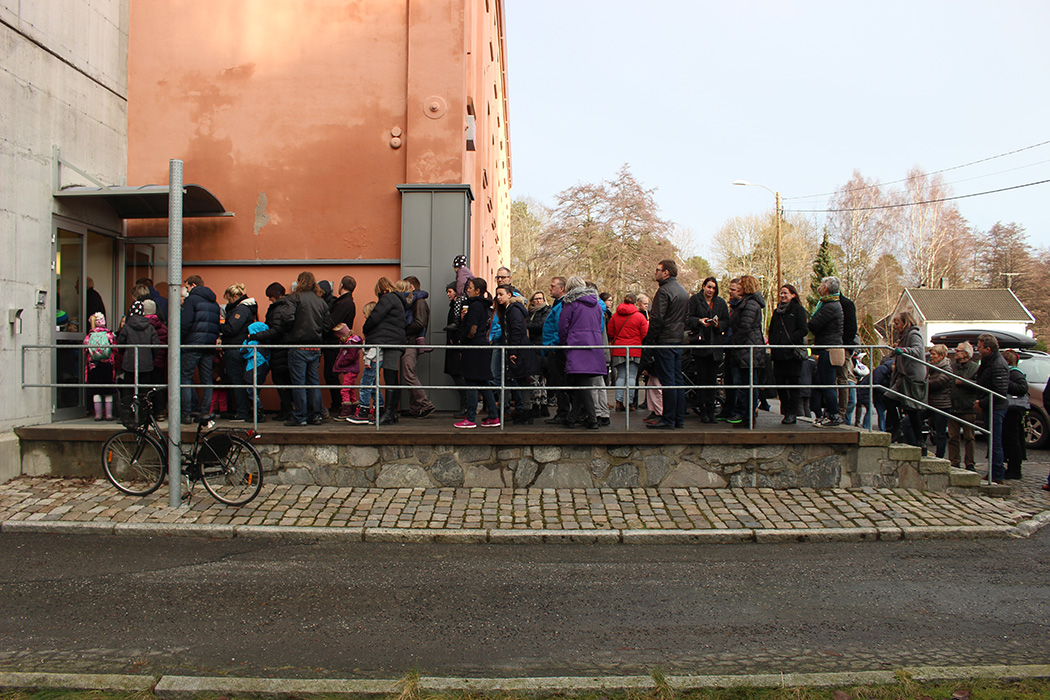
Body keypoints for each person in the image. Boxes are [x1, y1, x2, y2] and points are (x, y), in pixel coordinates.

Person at [253, 272, 332, 427]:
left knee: (298, 383)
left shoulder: (294, 298)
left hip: (298, 345)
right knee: (313, 382)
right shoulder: (320, 301)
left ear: (299, 282)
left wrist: (291, 332)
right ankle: (315, 416)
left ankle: (300, 416)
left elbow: (287, 318)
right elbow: (327, 325)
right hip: (315, 346)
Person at [643, 259, 688, 430]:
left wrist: (650, 341)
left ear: (666, 272)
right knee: (677, 380)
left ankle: (668, 419)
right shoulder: (682, 291)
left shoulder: (664, 291)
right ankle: (678, 418)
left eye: (658, 270)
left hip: (665, 340)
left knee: (668, 381)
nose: (655, 272)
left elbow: (657, 319)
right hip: (677, 340)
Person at [558, 276, 606, 429]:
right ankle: (572, 418)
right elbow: (599, 325)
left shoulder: (570, 304)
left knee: (582, 383)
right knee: (583, 382)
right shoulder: (597, 305)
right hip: (594, 345)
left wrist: (565, 344)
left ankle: (592, 420)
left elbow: (563, 327)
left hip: (577, 346)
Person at [362, 277, 409, 426]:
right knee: (392, 378)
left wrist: (365, 329)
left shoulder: (387, 298)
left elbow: (375, 317)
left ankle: (388, 413)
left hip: (391, 344)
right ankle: (392, 413)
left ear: (381, 290)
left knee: (390, 378)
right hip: (396, 343)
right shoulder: (397, 300)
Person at [455, 278, 499, 429]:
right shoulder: (483, 306)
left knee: (471, 381)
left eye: (471, 288)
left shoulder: (475, 306)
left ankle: (471, 418)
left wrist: (464, 336)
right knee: (483, 381)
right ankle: (493, 416)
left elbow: (472, 328)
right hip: (481, 346)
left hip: (473, 347)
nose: (468, 290)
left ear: (478, 291)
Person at [686, 276, 730, 423]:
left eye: (713, 288)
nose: (711, 290)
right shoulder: (694, 300)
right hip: (700, 344)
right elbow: (687, 319)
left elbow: (726, 322)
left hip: (715, 346)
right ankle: (703, 409)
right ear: (703, 286)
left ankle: (711, 409)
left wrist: (717, 325)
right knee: (701, 378)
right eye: (709, 287)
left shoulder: (720, 303)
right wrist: (699, 321)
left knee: (712, 379)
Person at [725, 274, 767, 427]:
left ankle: (748, 416)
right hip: (745, 348)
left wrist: (734, 342)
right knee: (745, 384)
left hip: (747, 349)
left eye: (741, 284)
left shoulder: (750, 304)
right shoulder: (747, 303)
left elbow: (745, 326)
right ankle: (746, 415)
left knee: (748, 383)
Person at [495, 284, 539, 424]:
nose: (498, 297)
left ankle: (523, 411)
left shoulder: (513, 311)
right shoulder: (510, 310)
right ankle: (520, 411)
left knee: (518, 380)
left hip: (518, 351)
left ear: (509, 295)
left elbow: (516, 330)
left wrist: (513, 351)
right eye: (497, 294)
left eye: (501, 294)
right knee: (516, 380)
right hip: (516, 350)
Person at [180, 275, 221, 424]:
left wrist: (182, 341)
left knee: (184, 377)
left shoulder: (191, 300)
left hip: (192, 344)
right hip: (209, 346)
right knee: (206, 380)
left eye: (187, 287)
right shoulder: (214, 303)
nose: (186, 290)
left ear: (193, 285)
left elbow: (185, 323)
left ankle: (186, 414)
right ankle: (205, 413)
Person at [767, 284, 808, 425]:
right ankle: (786, 411)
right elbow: (772, 330)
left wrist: (789, 339)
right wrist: (774, 342)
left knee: (793, 385)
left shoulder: (798, 310)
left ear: (793, 295)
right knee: (780, 384)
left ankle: (792, 412)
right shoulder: (777, 312)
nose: (782, 296)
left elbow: (803, 329)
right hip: (778, 354)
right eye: (781, 293)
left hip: (792, 354)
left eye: (785, 293)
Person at [885, 312, 927, 447]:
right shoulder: (904, 336)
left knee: (891, 400)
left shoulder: (913, 334)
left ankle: (899, 430)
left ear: (905, 323)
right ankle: (918, 441)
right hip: (905, 376)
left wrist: (903, 350)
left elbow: (918, 350)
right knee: (910, 409)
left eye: (897, 324)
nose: (895, 327)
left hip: (912, 377)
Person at [807, 276, 844, 426]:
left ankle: (834, 414)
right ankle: (825, 413)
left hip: (830, 349)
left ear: (827, 288)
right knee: (821, 381)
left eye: (822, 284)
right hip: (826, 347)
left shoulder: (831, 306)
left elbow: (814, 325)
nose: (819, 287)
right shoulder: (829, 305)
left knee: (827, 383)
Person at [974, 333, 1009, 484]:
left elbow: (1000, 392)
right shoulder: (989, 362)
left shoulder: (997, 364)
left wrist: (982, 403)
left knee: (995, 441)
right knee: (992, 441)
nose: (978, 349)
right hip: (990, 405)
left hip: (996, 407)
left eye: (980, 347)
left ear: (988, 349)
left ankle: (997, 474)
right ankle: (994, 472)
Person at [220, 283, 258, 422]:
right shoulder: (247, 308)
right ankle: (243, 410)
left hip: (234, 348)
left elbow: (232, 329)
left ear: (235, 296)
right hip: (240, 348)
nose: (228, 302)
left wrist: (220, 326)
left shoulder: (241, 310)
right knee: (240, 380)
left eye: (229, 299)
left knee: (236, 380)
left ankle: (242, 412)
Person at [401, 276, 436, 418]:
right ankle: (415, 408)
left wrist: (402, 330)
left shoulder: (419, 302)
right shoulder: (416, 302)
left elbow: (419, 323)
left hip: (411, 343)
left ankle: (425, 404)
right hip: (410, 342)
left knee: (408, 373)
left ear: (411, 287)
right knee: (409, 373)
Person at [607, 293, 649, 412]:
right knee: (632, 376)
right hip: (634, 349)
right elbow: (644, 333)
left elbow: (610, 332)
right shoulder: (639, 317)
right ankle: (630, 403)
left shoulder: (615, 315)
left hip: (619, 348)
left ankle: (618, 402)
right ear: (635, 303)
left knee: (620, 376)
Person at [116, 300, 161, 407]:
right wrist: (150, 357)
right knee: (144, 389)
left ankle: (128, 412)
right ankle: (143, 412)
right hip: (146, 363)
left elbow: (120, 344)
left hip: (129, 362)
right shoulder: (150, 327)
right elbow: (156, 345)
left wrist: (125, 354)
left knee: (128, 388)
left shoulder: (126, 327)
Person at [324, 275, 357, 414]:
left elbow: (331, 323)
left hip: (334, 342)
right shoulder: (348, 302)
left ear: (341, 285)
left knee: (331, 374)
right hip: (340, 342)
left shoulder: (343, 303)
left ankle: (338, 404)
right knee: (335, 374)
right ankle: (341, 403)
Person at [349, 302, 385, 424]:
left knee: (365, 385)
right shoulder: (380, 327)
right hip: (377, 359)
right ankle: (378, 409)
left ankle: (363, 410)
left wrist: (368, 358)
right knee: (375, 385)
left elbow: (375, 345)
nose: (363, 316)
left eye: (365, 314)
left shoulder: (374, 328)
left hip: (373, 359)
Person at [261, 282, 293, 421]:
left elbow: (276, 330)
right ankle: (285, 410)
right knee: (285, 381)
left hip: (280, 348)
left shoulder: (278, 308)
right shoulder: (287, 305)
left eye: (270, 297)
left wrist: (258, 335)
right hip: (284, 348)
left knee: (280, 379)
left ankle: (286, 411)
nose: (269, 300)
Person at [542, 277, 571, 424]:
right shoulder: (558, 304)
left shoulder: (563, 305)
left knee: (560, 382)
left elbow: (560, 327)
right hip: (554, 347)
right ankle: (564, 412)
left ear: (562, 288)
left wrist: (553, 345)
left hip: (557, 349)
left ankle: (563, 412)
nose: (550, 289)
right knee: (558, 381)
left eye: (553, 286)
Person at [947, 342, 979, 472]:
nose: (955, 352)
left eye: (958, 350)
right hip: (953, 406)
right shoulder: (951, 366)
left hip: (968, 406)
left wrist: (964, 382)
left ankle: (970, 462)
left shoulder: (975, 368)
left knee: (969, 437)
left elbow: (979, 384)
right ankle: (954, 461)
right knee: (953, 437)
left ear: (966, 353)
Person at [83, 312, 117, 421]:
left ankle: (98, 415)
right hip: (107, 364)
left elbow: (86, 350)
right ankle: (109, 415)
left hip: (94, 365)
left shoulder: (89, 336)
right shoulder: (109, 335)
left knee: (96, 391)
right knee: (108, 391)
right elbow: (115, 348)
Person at [442, 282, 468, 417]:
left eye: (450, 291)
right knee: (456, 374)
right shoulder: (453, 306)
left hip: (456, 346)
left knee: (458, 374)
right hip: (453, 345)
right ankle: (465, 404)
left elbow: (460, 325)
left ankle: (466, 405)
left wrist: (456, 339)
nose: (448, 294)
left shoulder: (459, 306)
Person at [1002, 349, 1028, 480]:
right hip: (1009, 409)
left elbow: (1023, 388)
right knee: (1008, 438)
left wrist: (1006, 382)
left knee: (1013, 439)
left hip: (1013, 410)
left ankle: (1015, 468)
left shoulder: (1015, 373)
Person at [140, 299, 168, 418]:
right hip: (159, 360)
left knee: (144, 387)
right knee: (159, 385)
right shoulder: (162, 326)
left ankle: (145, 412)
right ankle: (159, 411)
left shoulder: (141, 325)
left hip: (144, 360)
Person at [926, 344, 954, 459]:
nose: (931, 357)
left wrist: (926, 380)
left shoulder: (947, 369)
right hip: (929, 403)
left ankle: (940, 457)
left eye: (934, 354)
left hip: (941, 405)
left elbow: (936, 383)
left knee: (940, 433)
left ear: (942, 356)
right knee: (909, 423)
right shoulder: (930, 367)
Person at [526, 291, 551, 416]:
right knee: (535, 378)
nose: (538, 301)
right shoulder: (530, 313)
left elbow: (542, 326)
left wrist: (528, 325)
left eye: (540, 298)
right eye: (535, 299)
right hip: (533, 347)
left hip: (542, 347)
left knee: (541, 378)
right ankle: (537, 403)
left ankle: (543, 404)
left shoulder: (547, 311)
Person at [331, 323, 362, 420]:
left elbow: (350, 357)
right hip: (351, 369)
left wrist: (341, 363)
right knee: (350, 389)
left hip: (350, 369)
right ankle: (354, 407)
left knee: (345, 390)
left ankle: (346, 410)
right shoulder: (352, 342)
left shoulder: (351, 343)